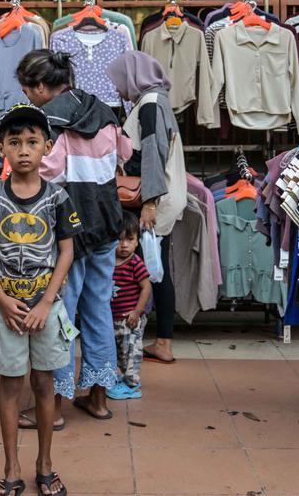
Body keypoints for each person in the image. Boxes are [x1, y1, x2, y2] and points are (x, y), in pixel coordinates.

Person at [17, 49, 132, 425]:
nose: (26, 97)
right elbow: (126, 151)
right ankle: (98, 399)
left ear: (40, 86)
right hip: (107, 221)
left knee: (59, 314)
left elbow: (45, 172)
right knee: (98, 308)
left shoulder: (50, 120)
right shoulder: (103, 110)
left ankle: (53, 408)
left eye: (26, 89)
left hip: (69, 231)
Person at [0, 103, 80, 496]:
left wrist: (47, 302)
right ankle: (11, 467)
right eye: (14, 142)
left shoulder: (58, 198)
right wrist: (0, 299)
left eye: (32, 142)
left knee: (44, 383)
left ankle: (44, 465)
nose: (23, 150)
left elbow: (66, 251)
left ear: (47, 148)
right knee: (10, 385)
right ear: (1, 147)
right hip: (9, 312)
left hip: (46, 308)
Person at [106, 51, 186, 365]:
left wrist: (150, 202)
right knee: (155, 266)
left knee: (153, 269)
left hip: (153, 200)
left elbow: (153, 151)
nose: (117, 88)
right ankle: (161, 339)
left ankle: (163, 341)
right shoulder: (154, 100)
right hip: (159, 197)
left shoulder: (150, 103)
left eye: (119, 80)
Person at [107, 212, 152, 400]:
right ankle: (123, 379)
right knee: (119, 352)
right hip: (114, 319)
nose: (124, 245)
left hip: (130, 320)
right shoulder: (108, 262)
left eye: (130, 239)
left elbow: (146, 287)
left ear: (137, 242)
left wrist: (137, 311)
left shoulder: (135, 263)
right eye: (119, 239)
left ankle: (132, 385)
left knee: (131, 353)